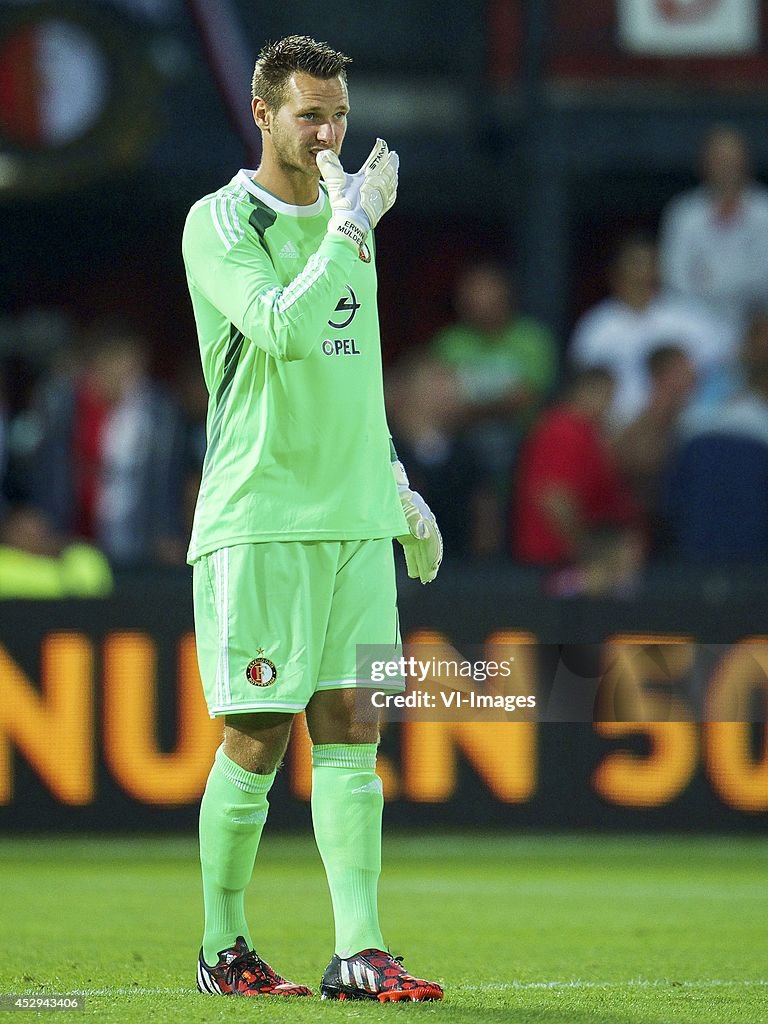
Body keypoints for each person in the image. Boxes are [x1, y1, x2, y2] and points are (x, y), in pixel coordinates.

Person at [182, 35, 443, 1001]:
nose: (331, 133)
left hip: (352, 517)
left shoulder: (352, 225)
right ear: (264, 115)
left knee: (355, 725)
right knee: (257, 732)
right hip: (263, 515)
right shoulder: (219, 223)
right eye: (310, 115)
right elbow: (286, 331)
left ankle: (360, 950)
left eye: (338, 115)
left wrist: (392, 477)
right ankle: (224, 947)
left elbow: (351, 378)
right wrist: (345, 230)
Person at [569, 233, 735, 428]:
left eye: (648, 262)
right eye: (634, 263)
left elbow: (725, 367)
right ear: (616, 273)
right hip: (613, 431)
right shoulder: (597, 326)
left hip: (681, 427)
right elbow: (583, 390)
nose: (641, 271)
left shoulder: (689, 316)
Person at [511, 368, 644, 596]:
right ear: (585, 393)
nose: (610, 406)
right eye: (607, 396)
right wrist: (588, 552)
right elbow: (554, 498)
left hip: (579, 561)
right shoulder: (565, 430)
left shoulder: (589, 433)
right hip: (558, 564)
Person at [430, 261, 557, 486]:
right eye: (473, 291)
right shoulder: (450, 343)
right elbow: (439, 402)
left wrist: (469, 404)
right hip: (462, 441)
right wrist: (497, 401)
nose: (481, 299)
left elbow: (525, 397)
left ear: (506, 294)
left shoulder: (531, 339)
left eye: (488, 290)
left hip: (521, 440)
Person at [386, 350, 502, 557]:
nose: (451, 390)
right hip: (398, 571)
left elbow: (485, 518)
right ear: (406, 392)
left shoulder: (467, 454)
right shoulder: (385, 453)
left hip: (460, 574)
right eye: (437, 382)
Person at [659, 126, 768, 336]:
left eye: (732, 159)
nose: (726, 166)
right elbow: (675, 280)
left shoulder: (764, 211)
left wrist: (712, 282)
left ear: (746, 163)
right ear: (704, 164)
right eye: (719, 159)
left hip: (757, 323)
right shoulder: (684, 213)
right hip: (695, 325)